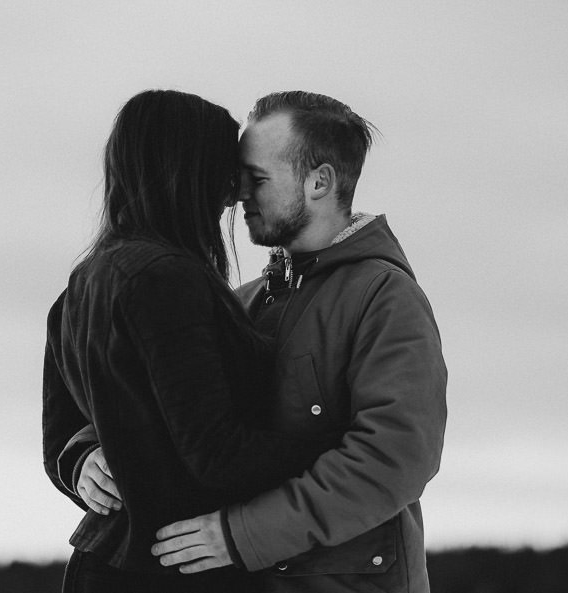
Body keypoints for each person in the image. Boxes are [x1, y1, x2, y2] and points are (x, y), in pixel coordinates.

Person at [150, 91, 448, 593]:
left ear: (320, 182)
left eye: (257, 178)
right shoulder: (240, 301)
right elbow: (168, 399)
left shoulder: (385, 297)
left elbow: (395, 457)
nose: (238, 192)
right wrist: (88, 451)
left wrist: (243, 535)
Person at [42, 90, 338, 593]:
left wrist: (77, 462)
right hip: (173, 569)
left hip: (110, 561)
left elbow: (64, 434)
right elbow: (216, 455)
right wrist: (342, 441)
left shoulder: (82, 284)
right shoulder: (166, 281)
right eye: (226, 171)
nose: (235, 193)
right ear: (186, 169)